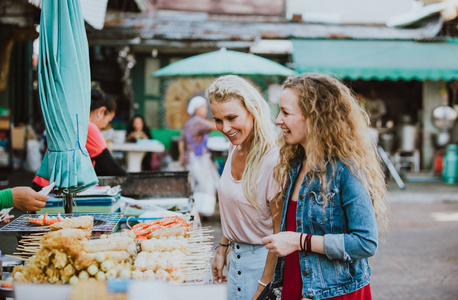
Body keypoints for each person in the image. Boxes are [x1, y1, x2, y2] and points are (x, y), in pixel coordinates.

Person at [262, 73, 388, 300]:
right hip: (296, 285)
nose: (278, 120)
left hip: (334, 292)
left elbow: (366, 242)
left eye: (286, 113)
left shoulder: (345, 170)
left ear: (314, 117)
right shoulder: (294, 164)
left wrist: (299, 241)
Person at [207, 75, 281, 300]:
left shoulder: (273, 158)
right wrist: (223, 246)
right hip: (234, 259)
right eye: (218, 120)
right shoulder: (234, 148)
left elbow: (280, 234)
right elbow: (238, 209)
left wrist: (264, 285)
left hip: (262, 264)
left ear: (254, 110)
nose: (225, 128)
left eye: (231, 117)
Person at [32, 86, 127, 190]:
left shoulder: (76, 123)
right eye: (108, 120)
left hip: (43, 184)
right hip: (50, 189)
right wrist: (131, 180)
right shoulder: (89, 127)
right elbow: (110, 167)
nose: (105, 125)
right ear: (101, 112)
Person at [178, 96, 219, 216]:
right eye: (203, 107)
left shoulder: (190, 122)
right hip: (196, 158)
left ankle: (198, 210)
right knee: (203, 183)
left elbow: (181, 139)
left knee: (196, 184)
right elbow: (215, 126)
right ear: (196, 109)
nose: (205, 110)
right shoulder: (197, 121)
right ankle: (202, 210)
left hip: (192, 157)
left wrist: (181, 156)